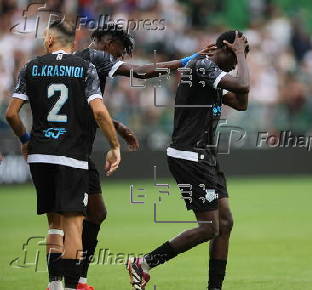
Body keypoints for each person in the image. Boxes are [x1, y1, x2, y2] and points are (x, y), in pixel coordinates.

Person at [74, 23, 215, 290]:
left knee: (95, 212)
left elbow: (80, 106)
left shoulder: (79, 61)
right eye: (120, 50)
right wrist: (188, 59)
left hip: (79, 149)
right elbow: (142, 72)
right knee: (70, 218)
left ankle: (78, 280)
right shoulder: (98, 56)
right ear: (106, 42)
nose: (119, 57)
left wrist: (114, 125)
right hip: (72, 151)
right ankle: (63, 282)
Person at [126, 30, 250, 290]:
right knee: (209, 228)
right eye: (236, 55)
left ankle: (214, 288)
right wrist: (240, 54)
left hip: (206, 156)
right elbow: (243, 86)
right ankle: (143, 263)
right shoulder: (202, 65)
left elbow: (241, 103)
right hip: (189, 155)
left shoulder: (210, 73)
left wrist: (239, 56)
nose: (237, 64)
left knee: (225, 222)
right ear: (225, 47)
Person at [5, 20, 121, 290]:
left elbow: (11, 113)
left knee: (54, 225)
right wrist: (115, 146)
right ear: (74, 43)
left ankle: (54, 286)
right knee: (73, 226)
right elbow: (100, 112)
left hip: (40, 155)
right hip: (71, 156)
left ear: (48, 40)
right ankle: (71, 287)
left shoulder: (31, 67)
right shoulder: (84, 68)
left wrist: (25, 139)